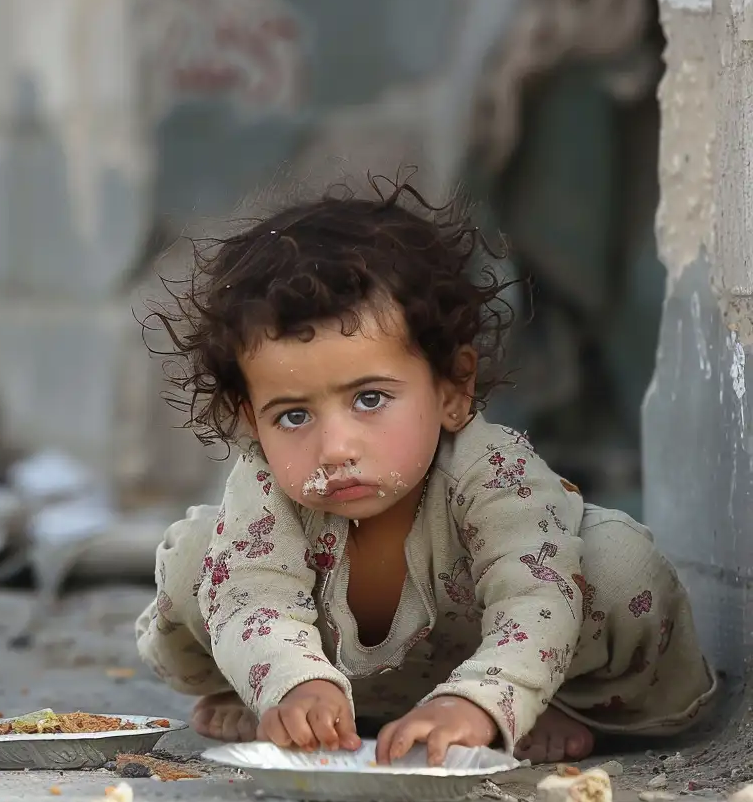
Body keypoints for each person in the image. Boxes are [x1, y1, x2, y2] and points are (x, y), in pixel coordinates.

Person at [136, 182, 715, 766]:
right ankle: (282, 698)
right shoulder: (264, 485)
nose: (334, 448)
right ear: (250, 420)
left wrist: (482, 704)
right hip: (330, 677)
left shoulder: (492, 470)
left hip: (505, 664)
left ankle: (556, 704)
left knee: (616, 562)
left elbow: (535, 598)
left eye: (369, 400)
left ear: (453, 387)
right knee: (197, 559)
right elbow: (252, 596)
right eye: (292, 415)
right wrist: (289, 686)